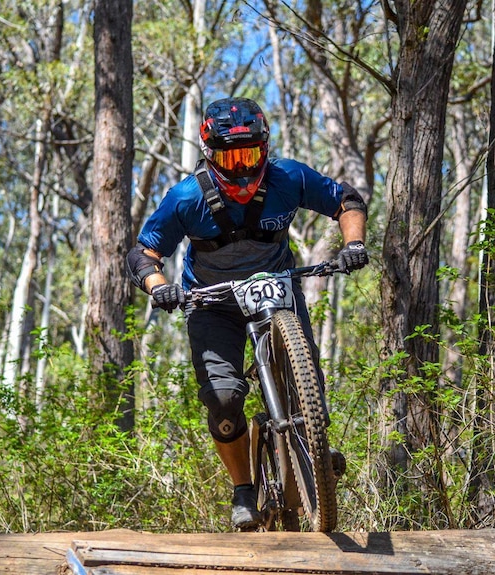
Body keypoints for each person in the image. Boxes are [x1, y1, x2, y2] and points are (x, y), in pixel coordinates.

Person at [125, 97, 369, 529]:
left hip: (277, 288)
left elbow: (346, 201)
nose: (240, 168)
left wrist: (353, 244)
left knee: (305, 361)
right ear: (209, 155)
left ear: (265, 149)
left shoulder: (288, 177)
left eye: (249, 154)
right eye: (229, 156)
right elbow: (144, 253)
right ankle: (243, 489)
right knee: (222, 400)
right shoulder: (186, 197)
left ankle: (314, 440)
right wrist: (159, 288)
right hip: (213, 302)